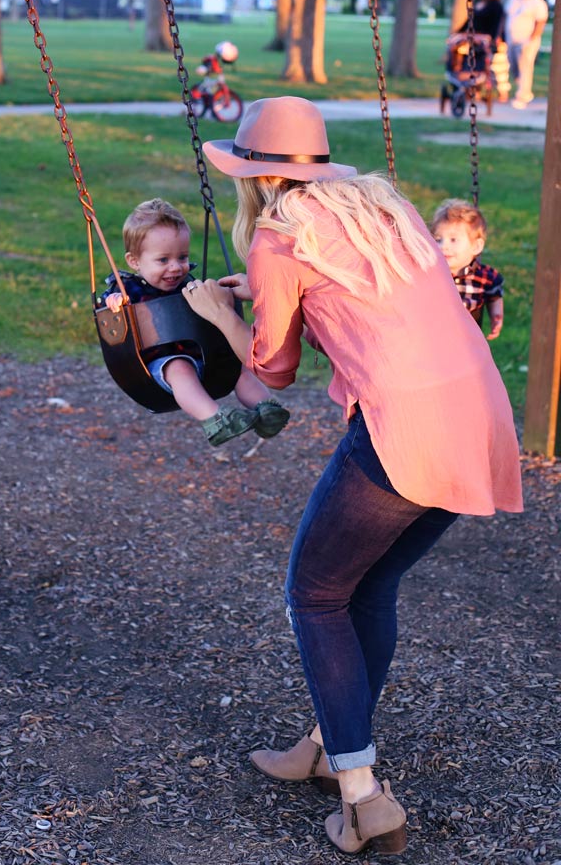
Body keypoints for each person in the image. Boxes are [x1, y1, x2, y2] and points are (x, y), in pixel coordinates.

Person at [182, 97, 522, 855]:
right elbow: (362, 295)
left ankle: (365, 798)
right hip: (480, 413)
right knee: (366, 587)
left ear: (257, 178)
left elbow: (272, 366)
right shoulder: (383, 211)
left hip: (407, 427)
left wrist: (214, 309)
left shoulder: (277, 237)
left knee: (314, 592)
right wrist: (260, 291)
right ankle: (328, 743)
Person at [99, 198, 289, 447]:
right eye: (163, 260)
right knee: (179, 367)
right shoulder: (128, 288)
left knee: (236, 366)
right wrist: (114, 301)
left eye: (182, 257)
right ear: (135, 261)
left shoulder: (186, 282)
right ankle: (215, 420)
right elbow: (109, 304)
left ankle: (266, 409)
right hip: (158, 366)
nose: (176, 267)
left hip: (201, 356)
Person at [430, 198, 504, 340]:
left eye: (453, 240)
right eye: (438, 239)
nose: (443, 246)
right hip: (436, 341)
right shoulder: (431, 274)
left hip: (469, 343)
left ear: (476, 247)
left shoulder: (484, 276)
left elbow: (494, 293)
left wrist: (496, 315)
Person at [504, 0, 548, 109]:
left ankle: (522, 96)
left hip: (527, 41)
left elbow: (540, 22)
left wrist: (532, 39)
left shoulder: (537, 2)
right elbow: (505, 17)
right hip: (511, 39)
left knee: (525, 67)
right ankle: (523, 89)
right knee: (513, 66)